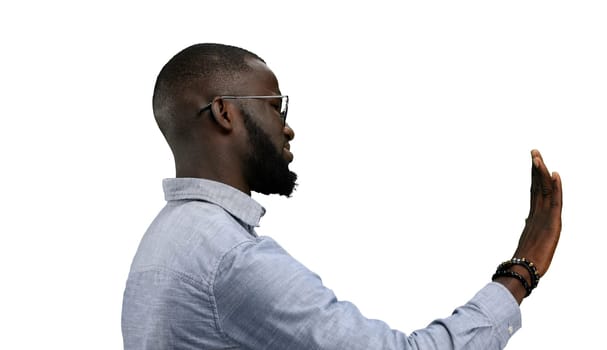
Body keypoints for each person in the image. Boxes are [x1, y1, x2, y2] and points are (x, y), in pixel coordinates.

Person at [121, 43, 563, 350]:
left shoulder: (164, 238)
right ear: (224, 112)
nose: (287, 127)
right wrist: (522, 268)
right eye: (276, 106)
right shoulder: (231, 259)